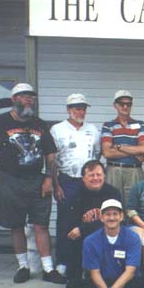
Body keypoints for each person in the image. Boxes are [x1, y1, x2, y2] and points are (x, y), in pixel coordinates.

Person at [0, 83, 66, 284]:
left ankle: (48, 269)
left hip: (36, 179)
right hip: (9, 180)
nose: (30, 100)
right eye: (25, 96)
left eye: (32, 97)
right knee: (16, 224)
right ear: (14, 99)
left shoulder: (39, 124)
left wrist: (48, 179)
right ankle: (23, 266)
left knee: (41, 224)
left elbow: (50, 155)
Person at [50, 93, 100, 277]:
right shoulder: (57, 130)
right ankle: (63, 262)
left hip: (87, 182)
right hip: (67, 181)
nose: (81, 111)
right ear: (68, 110)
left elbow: (96, 155)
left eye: (83, 108)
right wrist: (56, 185)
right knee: (65, 222)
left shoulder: (93, 130)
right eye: (77, 108)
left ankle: (84, 262)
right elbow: (53, 160)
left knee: (87, 220)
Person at [66, 199, 144, 288]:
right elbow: (94, 273)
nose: (111, 218)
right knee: (73, 286)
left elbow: (130, 272)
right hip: (102, 281)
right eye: (107, 214)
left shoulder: (133, 238)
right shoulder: (90, 241)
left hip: (124, 281)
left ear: (121, 216)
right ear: (101, 218)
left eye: (115, 214)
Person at [64, 160, 121, 281]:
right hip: (83, 239)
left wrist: (84, 229)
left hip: (107, 235)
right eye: (91, 175)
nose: (95, 178)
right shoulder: (74, 195)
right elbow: (70, 225)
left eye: (99, 175)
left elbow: (116, 221)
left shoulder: (113, 193)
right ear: (83, 178)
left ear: (104, 176)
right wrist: (83, 230)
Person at [101, 90, 144, 207]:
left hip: (134, 171)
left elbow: (142, 149)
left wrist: (118, 146)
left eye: (128, 104)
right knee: (113, 204)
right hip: (113, 170)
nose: (125, 106)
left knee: (133, 206)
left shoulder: (140, 124)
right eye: (122, 104)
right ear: (115, 105)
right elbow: (107, 152)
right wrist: (133, 152)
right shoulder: (108, 125)